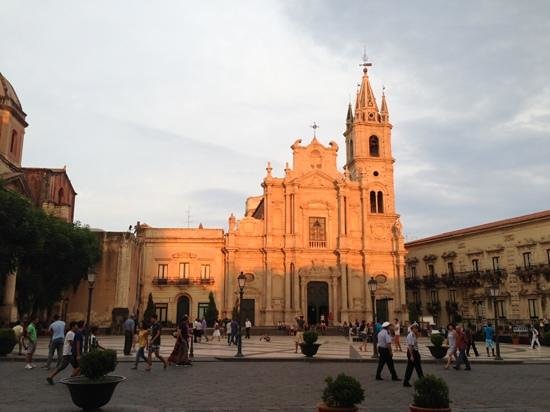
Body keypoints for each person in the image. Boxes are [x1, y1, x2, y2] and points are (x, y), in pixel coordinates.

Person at [403, 323, 424, 387]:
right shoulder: (410, 335)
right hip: (412, 352)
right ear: (412, 329)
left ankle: (406, 382)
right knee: (417, 367)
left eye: (417, 328)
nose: (417, 329)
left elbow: (417, 339)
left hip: (414, 352)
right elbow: (410, 346)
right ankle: (423, 381)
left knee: (410, 368)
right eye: (415, 328)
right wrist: (411, 356)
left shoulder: (414, 335)